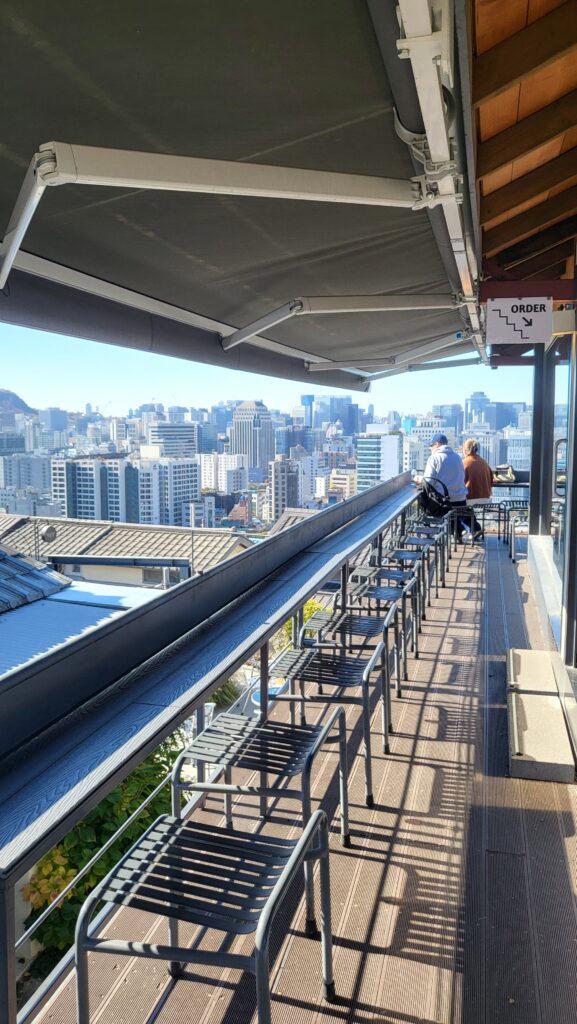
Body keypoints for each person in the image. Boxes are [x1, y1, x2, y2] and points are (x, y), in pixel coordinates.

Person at [415, 433, 469, 536]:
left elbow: (428, 481)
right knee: (449, 510)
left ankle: (428, 532)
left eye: (431, 446)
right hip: (461, 501)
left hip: (445, 504)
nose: (430, 449)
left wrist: (419, 478)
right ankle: (459, 530)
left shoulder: (434, 458)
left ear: (437, 444)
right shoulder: (458, 457)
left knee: (424, 500)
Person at [462, 438, 493, 539]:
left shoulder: (464, 462)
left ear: (465, 450)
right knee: (465, 509)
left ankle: (470, 530)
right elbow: (492, 479)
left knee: (456, 508)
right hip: (485, 498)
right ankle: (474, 529)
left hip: (471, 497)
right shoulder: (484, 462)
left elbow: (458, 481)